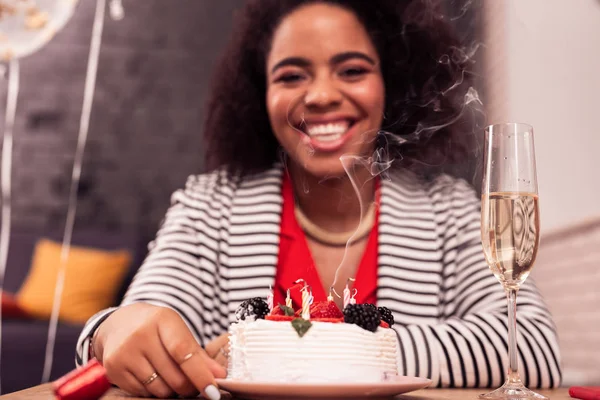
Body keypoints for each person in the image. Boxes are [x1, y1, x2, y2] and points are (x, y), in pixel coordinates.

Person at [75, 1, 562, 399]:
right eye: (291, 76)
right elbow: (124, 328)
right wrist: (111, 330)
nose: (322, 95)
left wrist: (315, 352)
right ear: (258, 97)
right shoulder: (210, 207)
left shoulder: (449, 211)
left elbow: (535, 350)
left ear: (391, 86)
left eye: (351, 69)